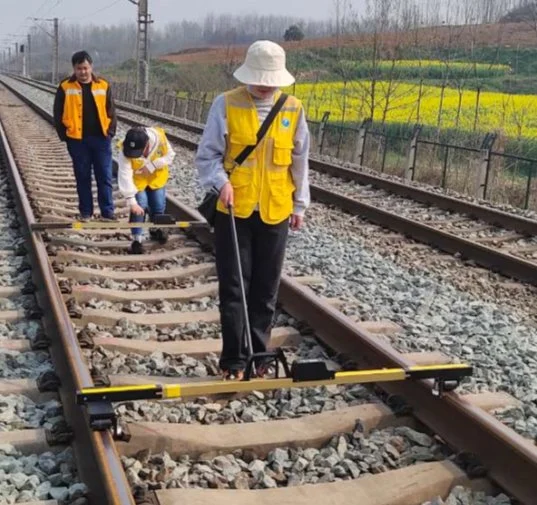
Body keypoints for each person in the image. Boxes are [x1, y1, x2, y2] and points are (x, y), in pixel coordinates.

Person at [195, 40, 310, 381]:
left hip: (276, 208)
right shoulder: (226, 104)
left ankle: (259, 357)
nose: (265, 85)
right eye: (260, 77)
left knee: (266, 289)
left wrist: (299, 204)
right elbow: (207, 156)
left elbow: (300, 162)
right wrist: (219, 183)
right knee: (234, 287)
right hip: (235, 208)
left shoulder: (293, 109)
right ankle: (233, 360)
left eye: (271, 79)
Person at [53, 50, 117, 221]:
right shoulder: (65, 87)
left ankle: (107, 212)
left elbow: (111, 110)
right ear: (74, 69)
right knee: (82, 176)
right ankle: (86, 212)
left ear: (91, 67)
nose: (83, 72)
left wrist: (110, 132)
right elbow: (57, 113)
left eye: (86, 68)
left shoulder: (103, 85)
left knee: (104, 175)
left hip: (101, 139)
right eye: (79, 68)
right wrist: (65, 136)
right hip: (77, 140)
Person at [117, 126, 176, 254]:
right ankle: (137, 240)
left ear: (147, 145)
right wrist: (132, 202)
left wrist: (152, 165)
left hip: (156, 177)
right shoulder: (124, 149)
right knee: (140, 206)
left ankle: (156, 229)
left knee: (158, 205)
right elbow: (124, 175)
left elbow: (170, 156)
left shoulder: (160, 138)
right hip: (138, 180)